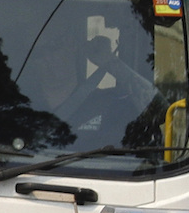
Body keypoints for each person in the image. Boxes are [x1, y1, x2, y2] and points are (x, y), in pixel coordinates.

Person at [25, 26, 160, 146]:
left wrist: (110, 62)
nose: (49, 57)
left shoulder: (111, 105)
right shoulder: (22, 108)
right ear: (30, 61)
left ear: (73, 45)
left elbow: (160, 112)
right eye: (39, 52)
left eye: (55, 45)